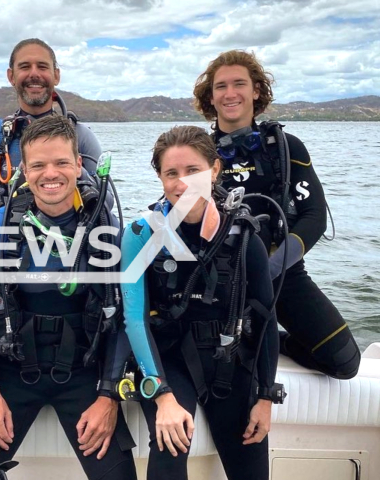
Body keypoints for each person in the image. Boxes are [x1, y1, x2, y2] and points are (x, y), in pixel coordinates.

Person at [0, 115, 137, 480]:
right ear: (23, 169)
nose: (50, 174)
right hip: (12, 373)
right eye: (38, 165)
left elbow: (125, 316)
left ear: (78, 165)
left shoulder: (106, 227)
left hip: (84, 375)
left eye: (61, 162)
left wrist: (108, 396)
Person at [121, 126, 281, 480]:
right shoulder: (141, 234)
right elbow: (134, 319)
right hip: (169, 360)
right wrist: (161, 394)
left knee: (251, 463)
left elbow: (266, 319)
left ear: (215, 169)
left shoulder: (243, 236)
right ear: (160, 178)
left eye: (193, 171)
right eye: (171, 174)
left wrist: (266, 396)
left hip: (226, 358)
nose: (182, 184)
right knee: (169, 451)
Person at [193, 50, 360, 379]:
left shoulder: (286, 147)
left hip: (281, 273)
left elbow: (314, 216)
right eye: (221, 86)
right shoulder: (199, 152)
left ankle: (278, 341)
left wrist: (272, 267)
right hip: (223, 282)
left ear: (256, 90)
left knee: (344, 361)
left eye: (239, 83)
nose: (230, 93)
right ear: (210, 96)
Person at [0, 38, 102, 188]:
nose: (34, 74)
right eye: (25, 67)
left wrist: (72, 169)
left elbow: (106, 201)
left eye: (42, 67)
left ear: (56, 75)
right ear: (11, 76)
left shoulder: (80, 136)